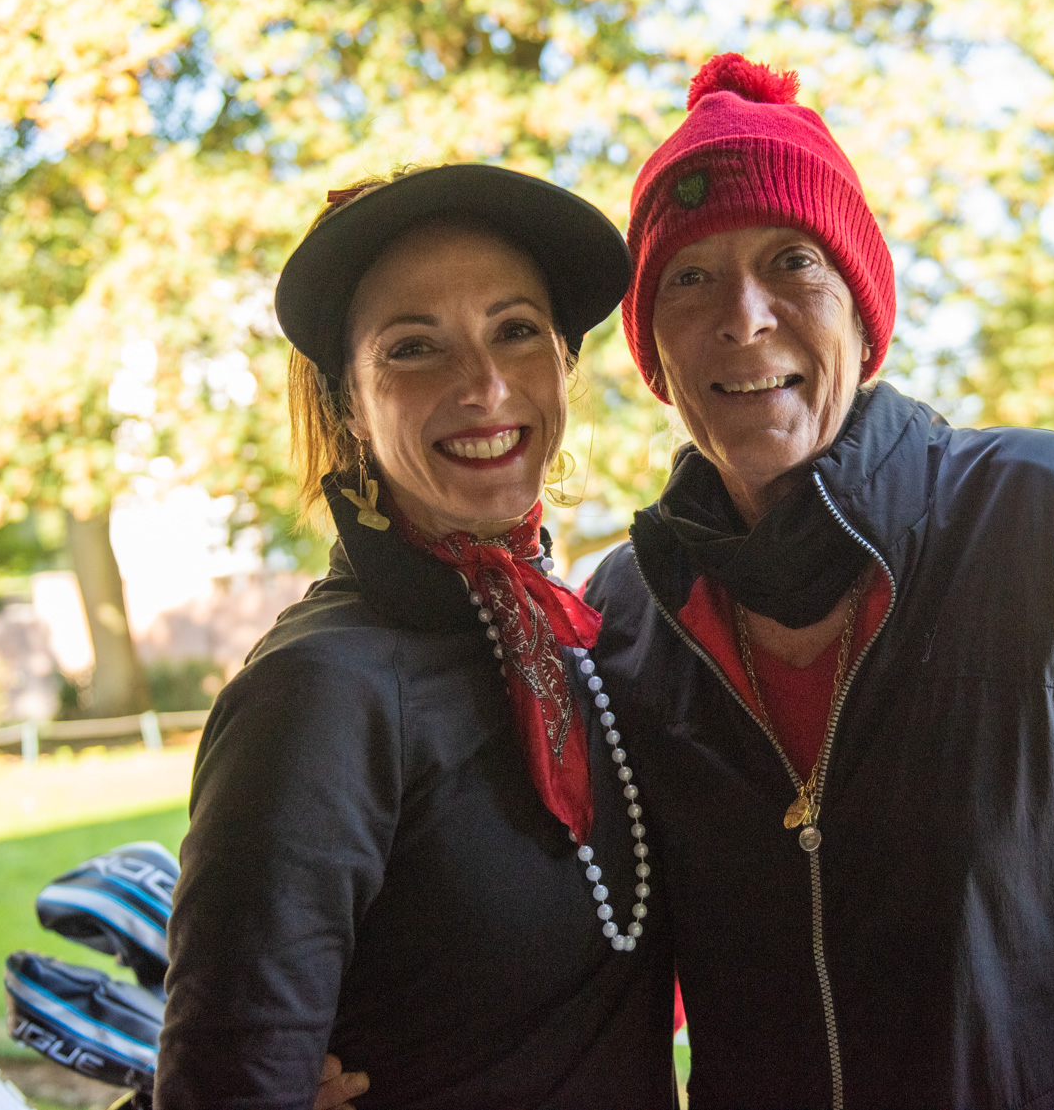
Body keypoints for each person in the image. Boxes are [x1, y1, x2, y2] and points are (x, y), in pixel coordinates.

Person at [585, 55, 1054, 1109]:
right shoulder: (624, 613)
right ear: (652, 347)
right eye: (689, 278)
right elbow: (594, 972)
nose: (743, 318)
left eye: (792, 261)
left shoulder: (1043, 517)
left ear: (862, 313)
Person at [156, 165, 675, 1109]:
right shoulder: (318, 689)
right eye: (413, 348)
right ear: (349, 404)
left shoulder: (574, 638)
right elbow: (226, 1082)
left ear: (563, 362)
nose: (483, 384)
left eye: (515, 330)